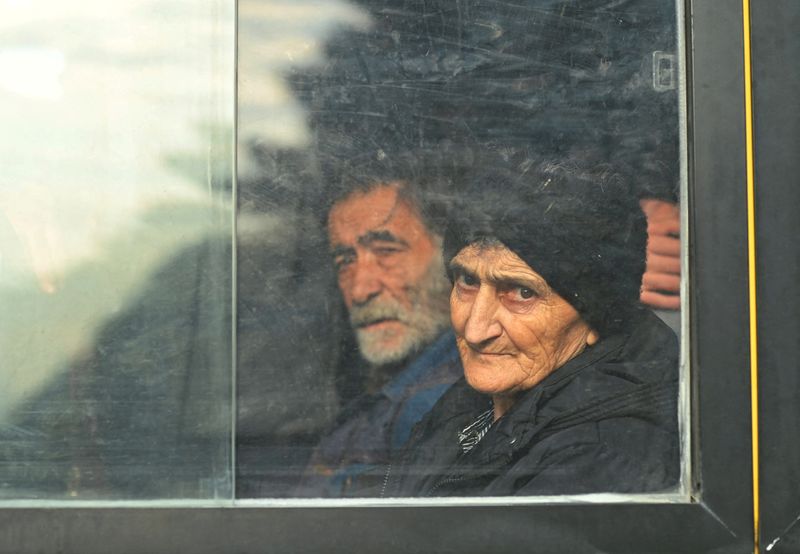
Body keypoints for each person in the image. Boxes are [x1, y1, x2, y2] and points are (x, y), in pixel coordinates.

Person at [382, 161, 680, 497]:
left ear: (596, 316)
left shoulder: (595, 460)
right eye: (467, 281)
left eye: (522, 293)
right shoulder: (479, 406)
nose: (476, 329)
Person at [296, 168, 464, 497]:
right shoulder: (390, 391)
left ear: (451, 257)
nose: (360, 290)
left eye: (386, 251)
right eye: (345, 260)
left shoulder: (439, 407)